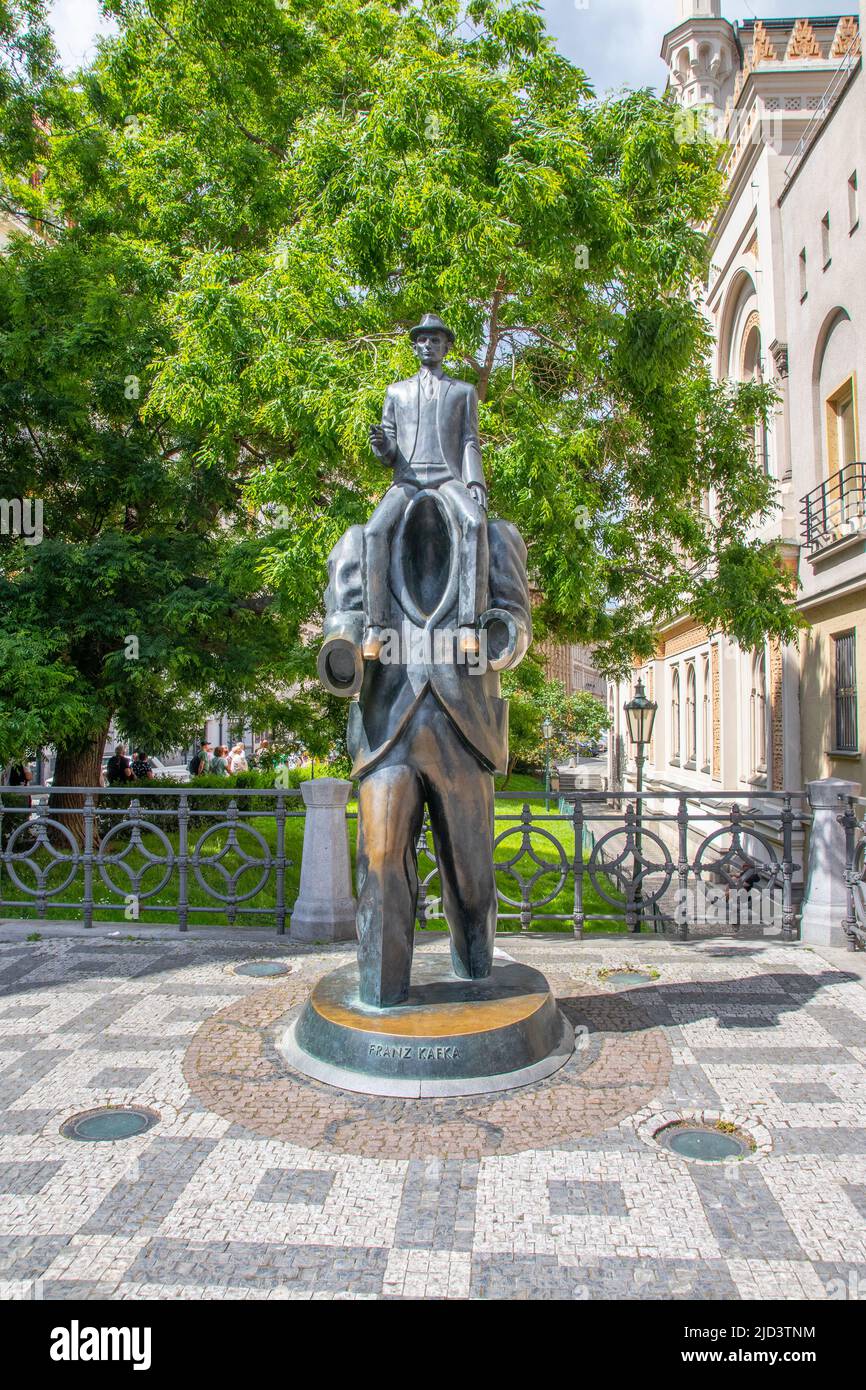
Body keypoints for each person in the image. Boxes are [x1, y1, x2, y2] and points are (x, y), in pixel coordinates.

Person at [364, 313, 489, 661]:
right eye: (422, 340)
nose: (428, 345)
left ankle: (468, 623)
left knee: (475, 523)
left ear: (446, 347)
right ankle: (375, 626)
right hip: (407, 480)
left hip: (448, 479)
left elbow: (469, 441)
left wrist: (474, 482)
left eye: (435, 340)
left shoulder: (463, 392)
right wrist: (382, 445)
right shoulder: (396, 392)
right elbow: (389, 450)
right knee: (373, 531)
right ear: (414, 346)